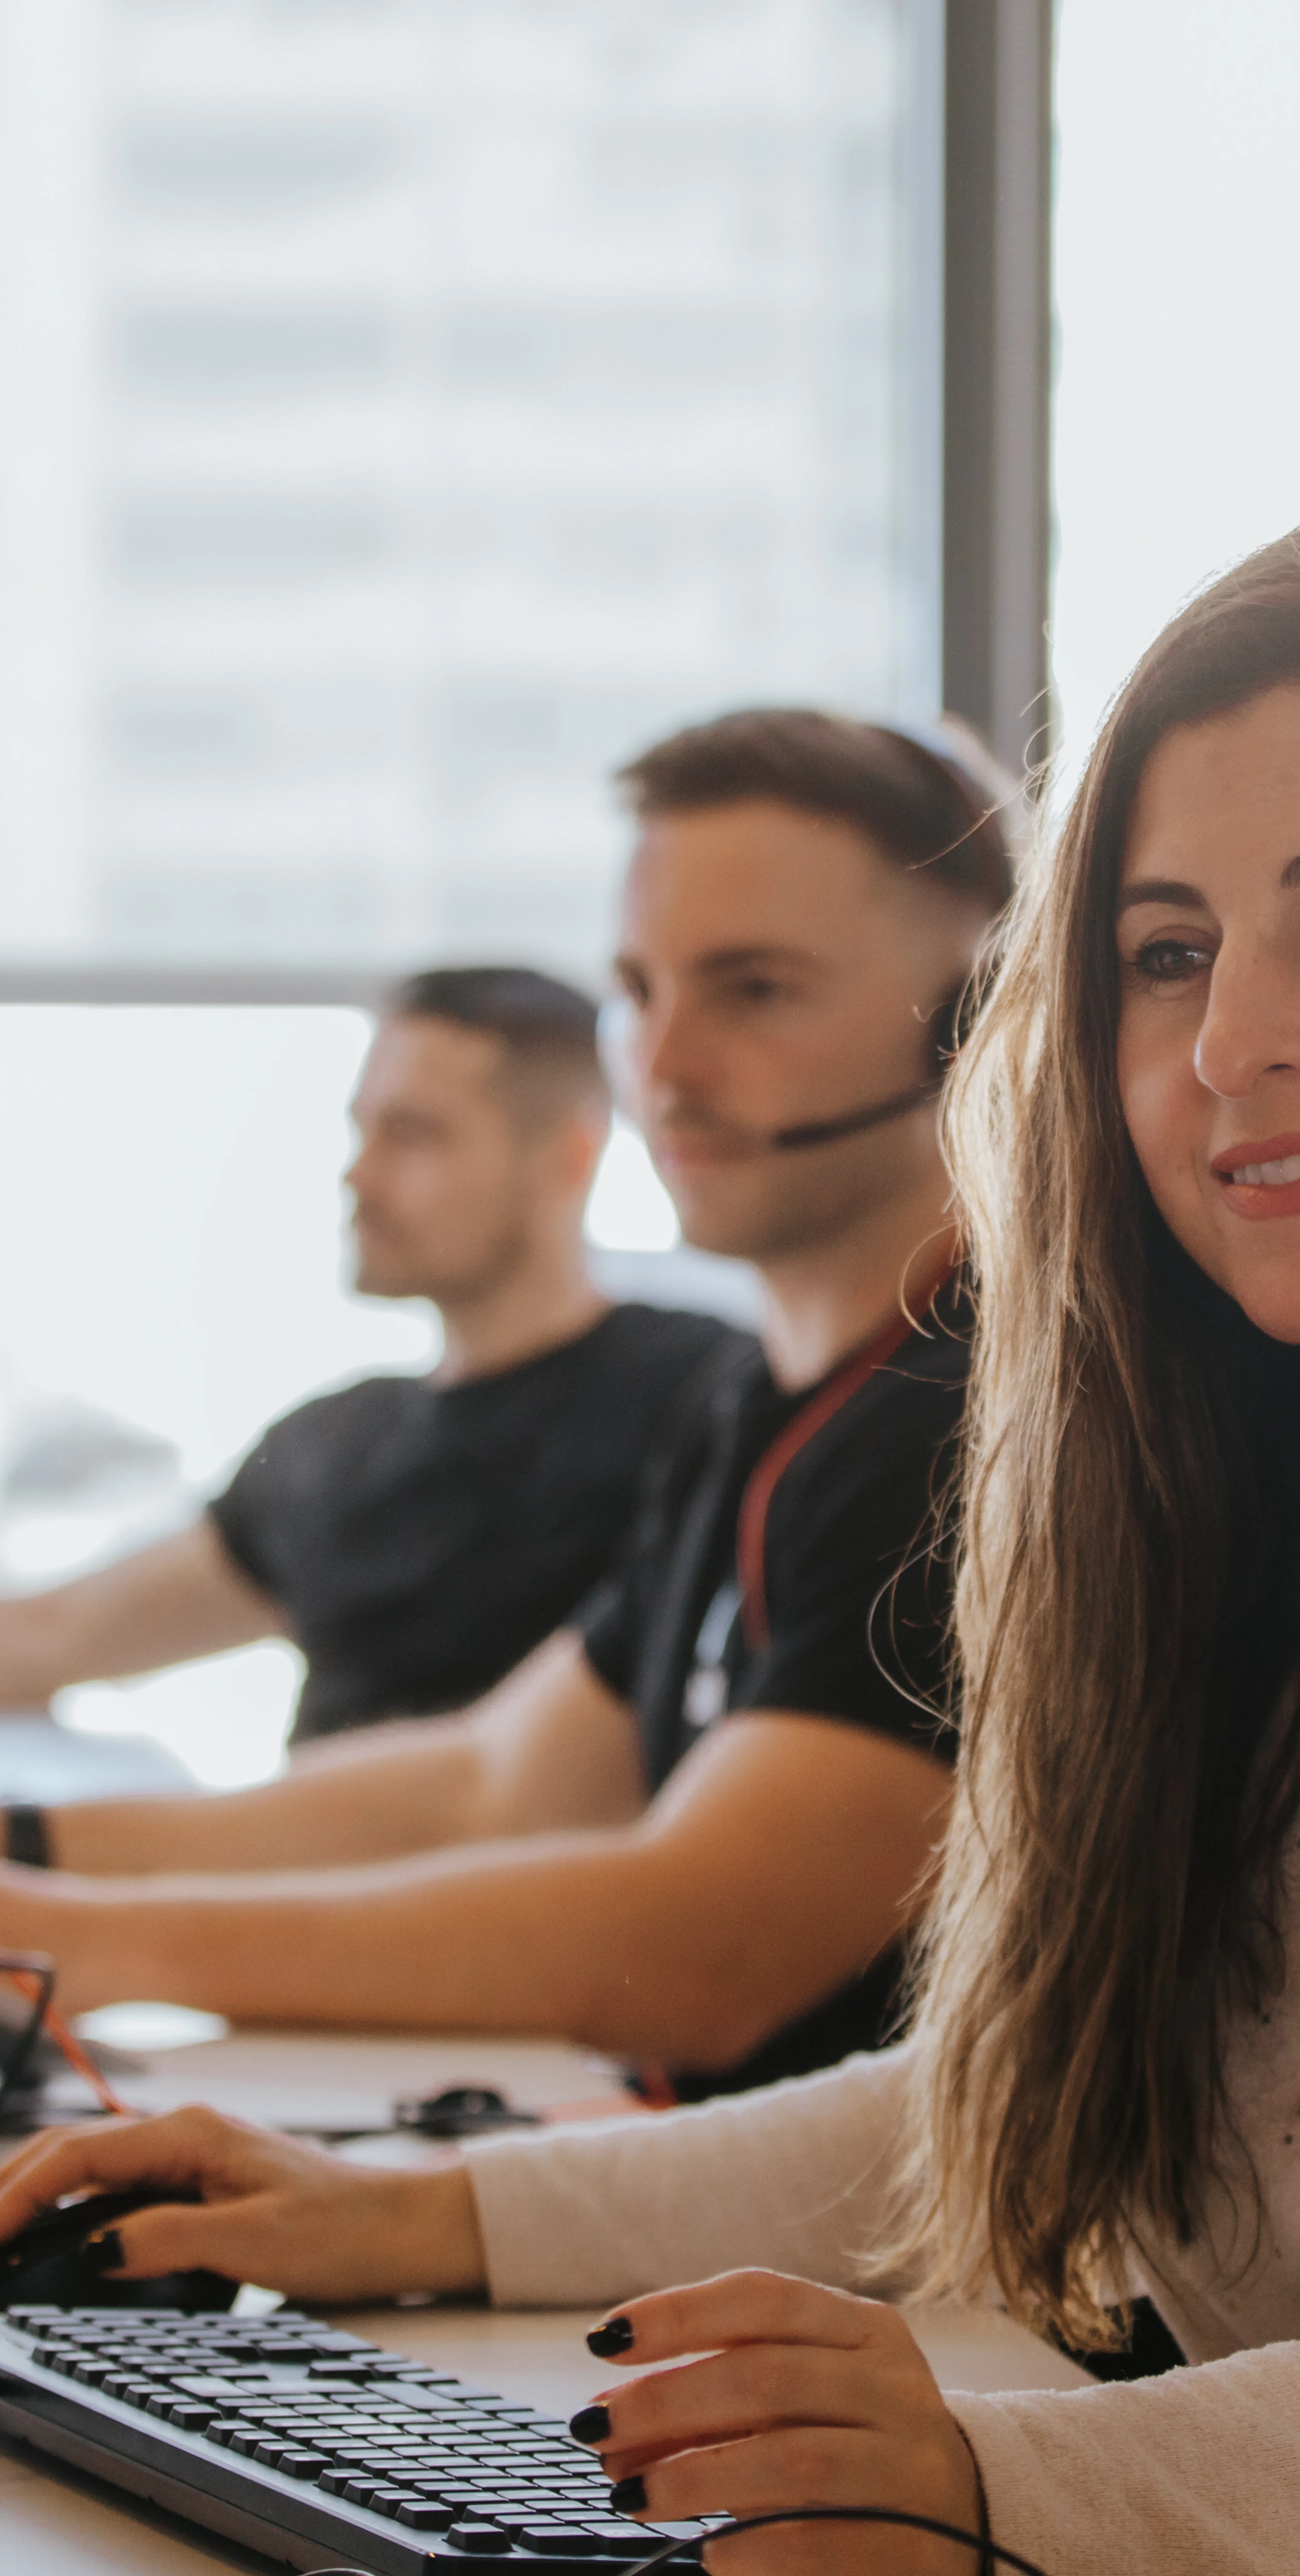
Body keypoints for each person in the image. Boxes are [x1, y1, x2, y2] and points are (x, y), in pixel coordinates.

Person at [11, 505, 1300, 2576]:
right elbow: (1002, 2093)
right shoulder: (1196, 1517)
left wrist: (997, 2480)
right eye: (1167, 951)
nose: (1225, 1042)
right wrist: (405, 2216)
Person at [0, 711, 1017, 2100]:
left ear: (978, 1017)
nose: (665, 1067)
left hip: (878, 2281)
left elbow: (702, 1946)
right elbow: (491, 1780)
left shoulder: (969, 1417)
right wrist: (34, 1854)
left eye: (756, 990)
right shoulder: (755, 1408)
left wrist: (74, 1940)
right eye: (640, 990)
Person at [0, 966, 731, 1750]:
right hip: (285, 1862)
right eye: (363, 1129)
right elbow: (57, 1635)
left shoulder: (703, 1397)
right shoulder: (334, 1449)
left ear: (570, 1157)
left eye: (413, 1135)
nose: (360, 1175)